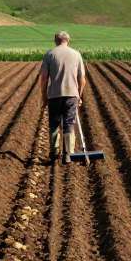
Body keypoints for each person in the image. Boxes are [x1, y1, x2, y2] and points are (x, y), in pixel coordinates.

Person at [39, 30, 86, 164]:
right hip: (72, 95)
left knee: (54, 124)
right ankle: (68, 154)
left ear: (55, 40)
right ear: (68, 40)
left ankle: (54, 154)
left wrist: (44, 96)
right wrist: (79, 95)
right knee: (68, 124)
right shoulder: (76, 54)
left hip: (54, 94)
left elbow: (43, 78)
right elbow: (82, 79)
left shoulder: (50, 54)